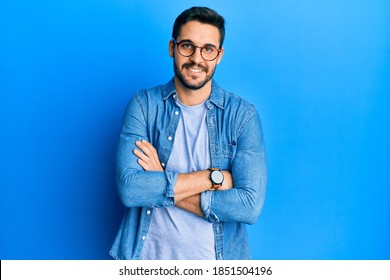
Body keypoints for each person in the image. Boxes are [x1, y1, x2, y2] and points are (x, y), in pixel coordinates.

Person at [110, 6, 267, 260]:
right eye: (187, 46)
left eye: (208, 49)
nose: (197, 58)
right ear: (172, 47)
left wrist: (160, 179)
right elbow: (131, 190)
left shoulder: (242, 116)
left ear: (219, 55)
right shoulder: (144, 106)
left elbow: (249, 207)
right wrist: (213, 178)